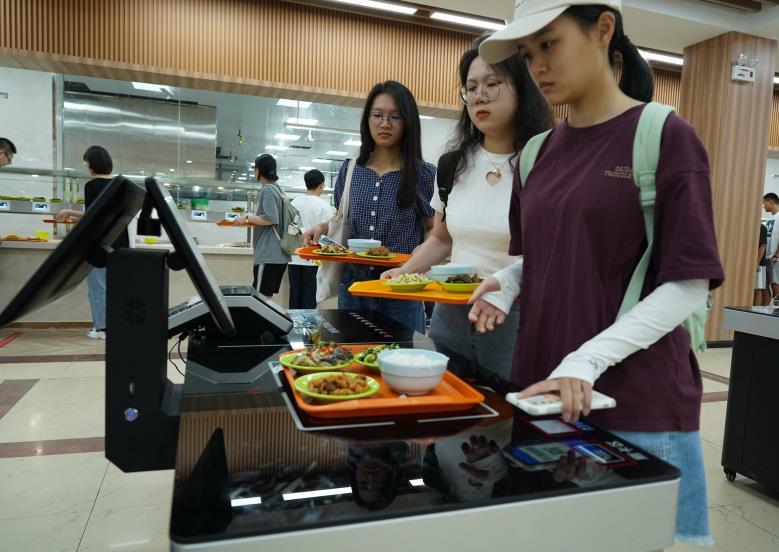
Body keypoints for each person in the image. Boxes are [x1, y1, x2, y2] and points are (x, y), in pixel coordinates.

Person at [468, 2, 724, 545]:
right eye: (528, 52)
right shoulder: (537, 152)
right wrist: (509, 282)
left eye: (550, 44)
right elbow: (545, 253)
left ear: (604, 29)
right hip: (543, 394)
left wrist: (586, 360)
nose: (537, 66)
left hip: (635, 405)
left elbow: (687, 281)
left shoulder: (664, 135)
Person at [381, 35, 552, 383]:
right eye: (471, 87)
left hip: (517, 320)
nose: (479, 96)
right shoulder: (452, 165)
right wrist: (406, 270)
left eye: (492, 84)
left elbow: (557, 251)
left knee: (506, 426)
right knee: (446, 423)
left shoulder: (546, 162)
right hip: (451, 321)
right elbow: (442, 238)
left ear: (523, 89)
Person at [303, 81, 436, 332]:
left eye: (394, 116)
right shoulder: (351, 169)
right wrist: (322, 227)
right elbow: (341, 217)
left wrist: (422, 252)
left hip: (401, 287)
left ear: (408, 122)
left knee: (402, 360)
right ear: (367, 120)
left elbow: (434, 229)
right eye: (377, 115)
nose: (384, 124)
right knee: (354, 359)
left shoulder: (424, 174)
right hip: (355, 285)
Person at [55, 146, 129, 340]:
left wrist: (69, 213)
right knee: (118, 286)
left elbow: (93, 216)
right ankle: (118, 325)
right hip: (120, 243)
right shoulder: (121, 185)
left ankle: (102, 328)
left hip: (99, 244)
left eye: (86, 162)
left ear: (91, 164)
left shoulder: (93, 185)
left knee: (98, 286)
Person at [234, 154, 290, 299]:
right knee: (266, 297)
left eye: (255, 169)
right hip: (279, 255)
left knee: (260, 299)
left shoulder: (267, 190)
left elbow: (271, 218)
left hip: (268, 254)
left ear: (259, 170)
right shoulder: (278, 190)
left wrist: (246, 218)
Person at [288, 169, 334, 309]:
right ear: (321, 185)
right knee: (310, 300)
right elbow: (329, 233)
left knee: (294, 298)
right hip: (314, 259)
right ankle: (308, 330)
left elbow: (289, 229)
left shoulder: (294, 203)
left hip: (294, 257)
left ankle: (293, 329)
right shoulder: (324, 206)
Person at [754, 223, 768, 306]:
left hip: (760, 263)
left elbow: (763, 245)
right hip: (750, 263)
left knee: (758, 289)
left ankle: (756, 311)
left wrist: (757, 262)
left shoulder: (761, 227)